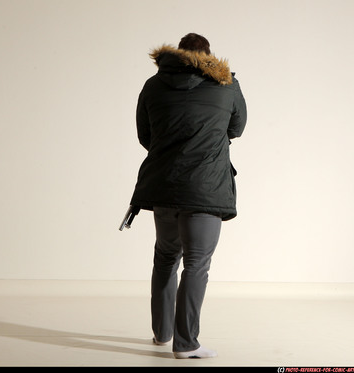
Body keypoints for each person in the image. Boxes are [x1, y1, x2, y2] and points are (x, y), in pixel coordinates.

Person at [129, 33, 247, 359]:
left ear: (178, 54)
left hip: (163, 186)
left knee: (165, 257)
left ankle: (161, 333)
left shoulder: (153, 85)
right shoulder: (227, 84)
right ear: (209, 56)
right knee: (196, 264)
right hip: (205, 188)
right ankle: (186, 344)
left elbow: (145, 135)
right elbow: (237, 128)